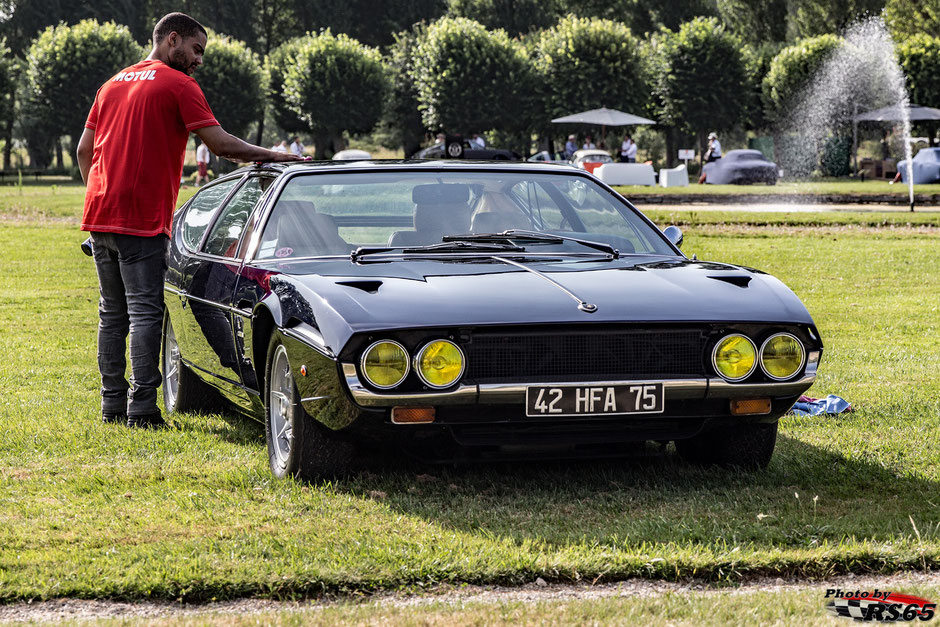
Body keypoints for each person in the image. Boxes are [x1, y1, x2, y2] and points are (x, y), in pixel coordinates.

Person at [75, 12, 294, 429]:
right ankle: (141, 409)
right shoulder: (179, 85)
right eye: (196, 50)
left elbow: (85, 151)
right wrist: (275, 155)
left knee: (112, 314)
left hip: (100, 217)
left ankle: (111, 405)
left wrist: (98, 197)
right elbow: (221, 144)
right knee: (143, 313)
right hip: (140, 218)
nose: (199, 61)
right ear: (172, 40)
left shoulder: (111, 84)